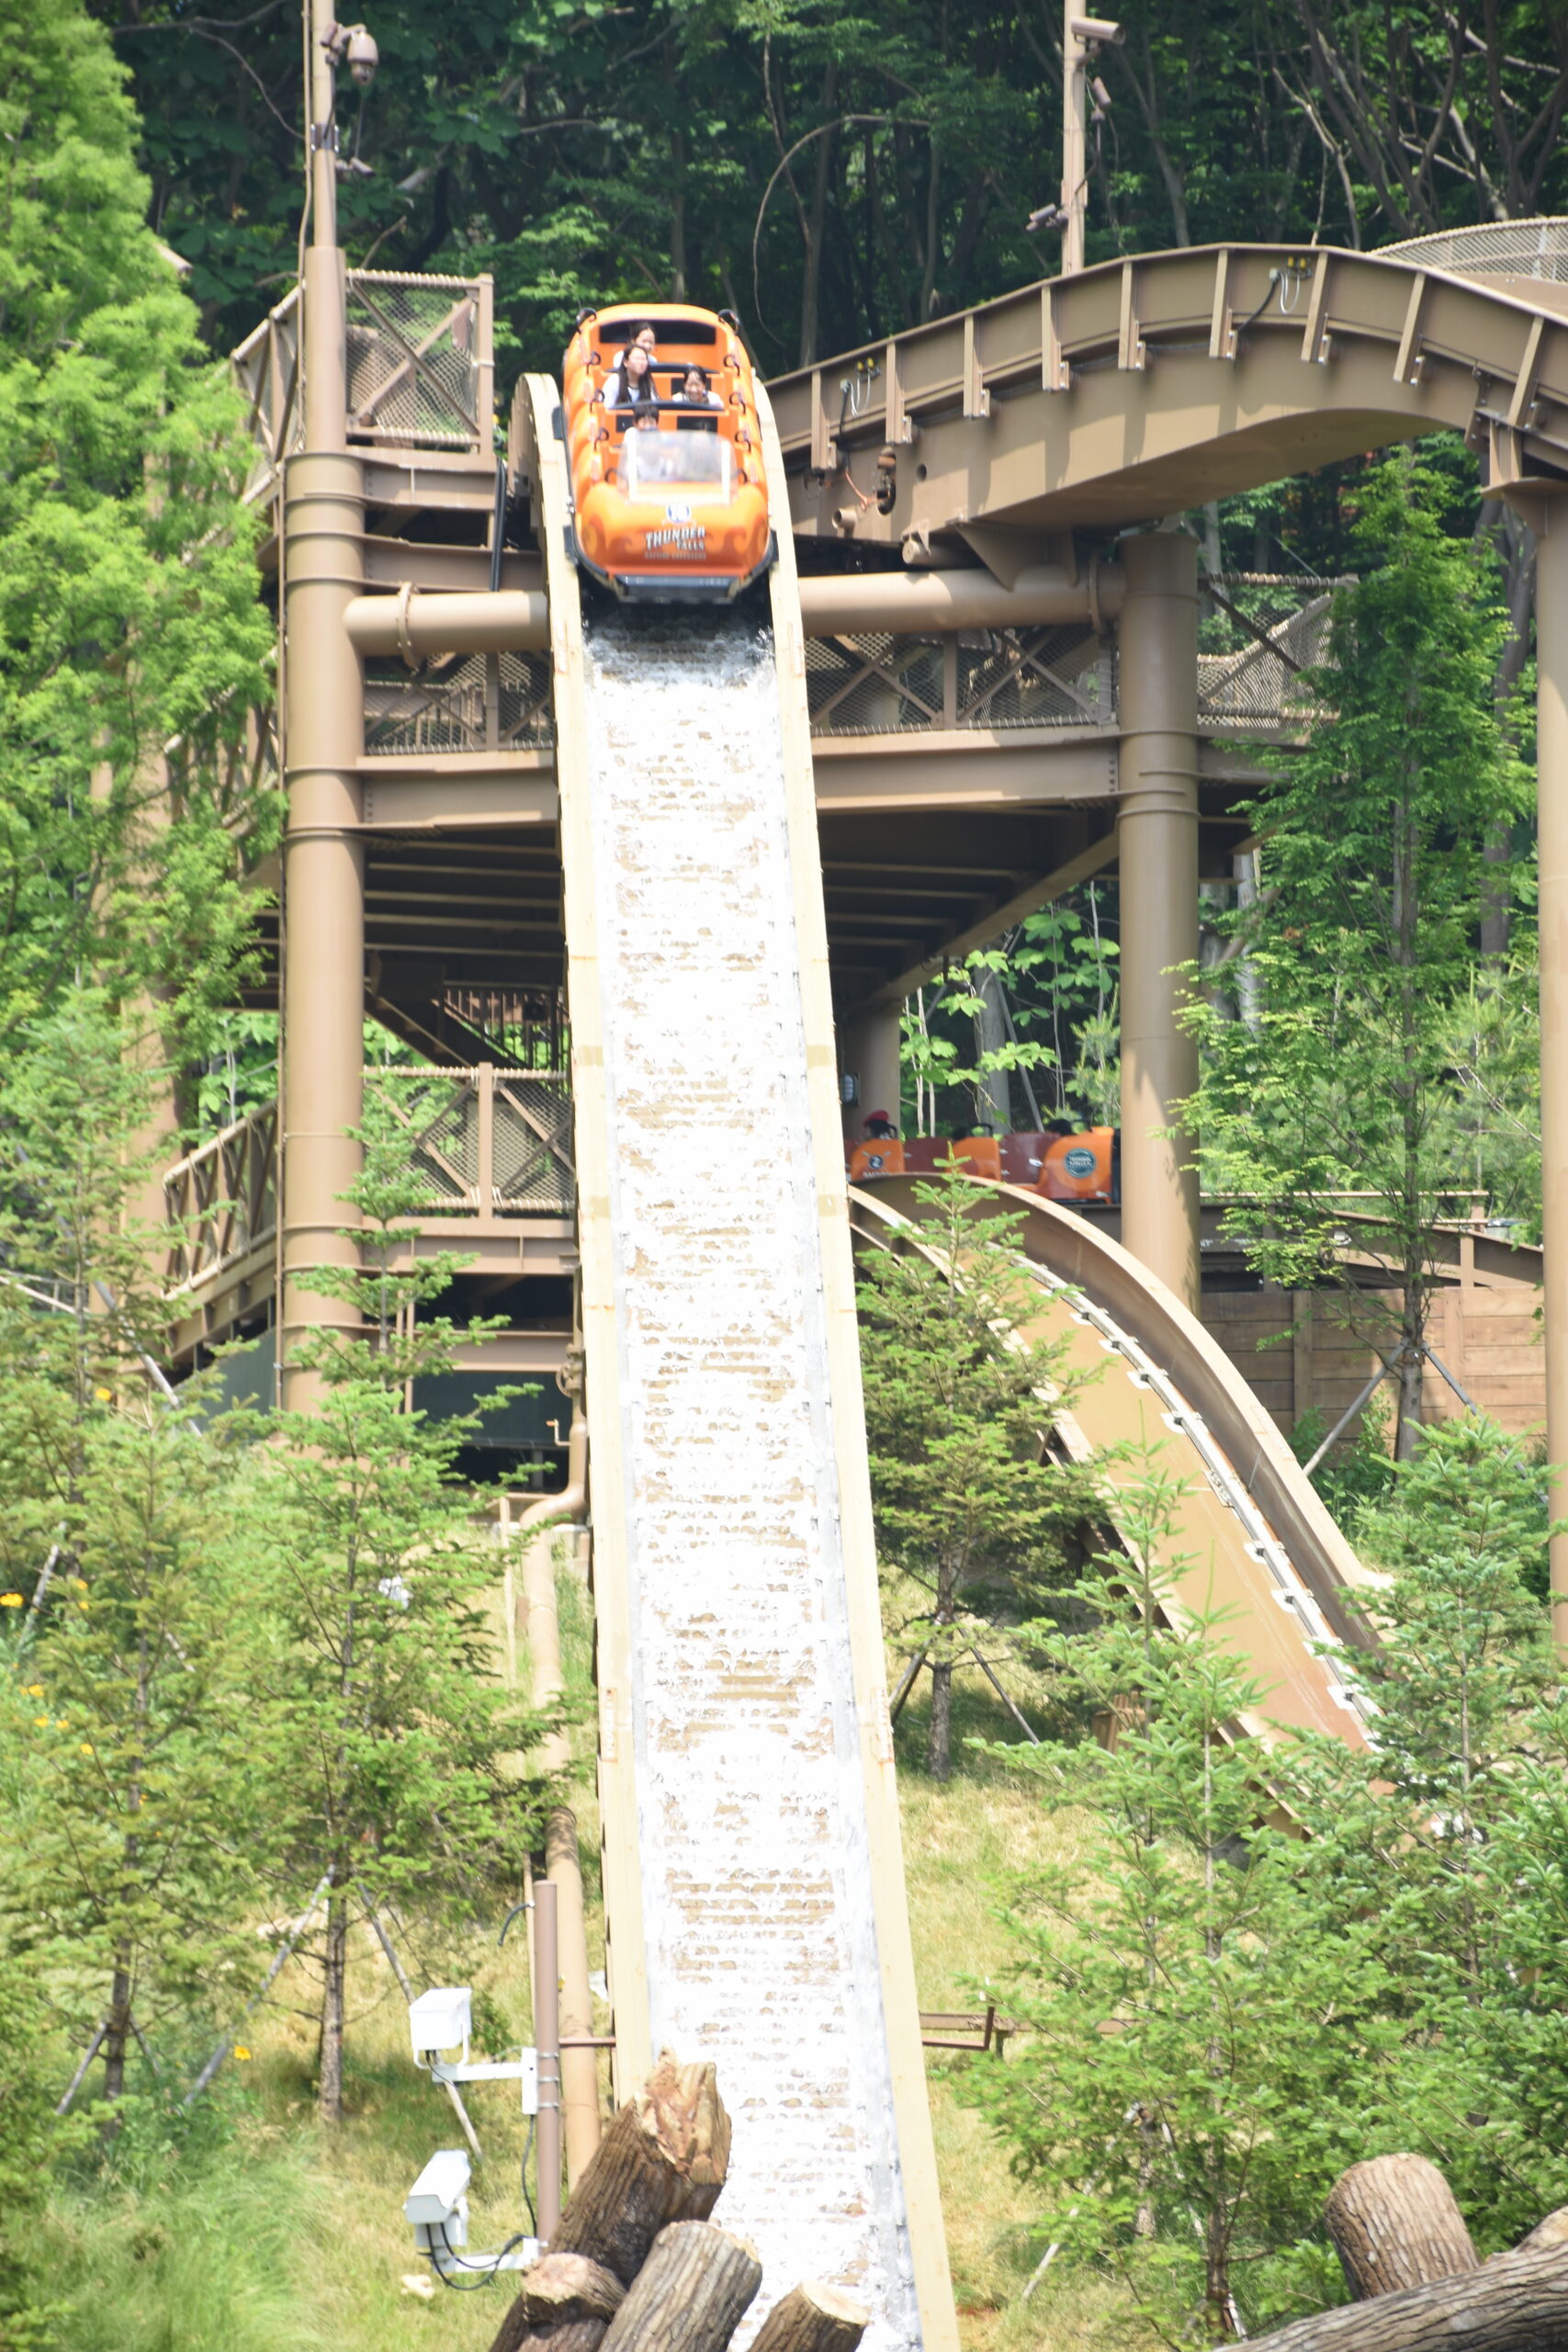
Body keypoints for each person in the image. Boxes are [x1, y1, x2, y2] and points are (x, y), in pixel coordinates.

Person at [603, 322, 658, 411]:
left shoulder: (648, 383)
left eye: (651, 342)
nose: (647, 346)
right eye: (644, 341)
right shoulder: (614, 381)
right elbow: (606, 407)